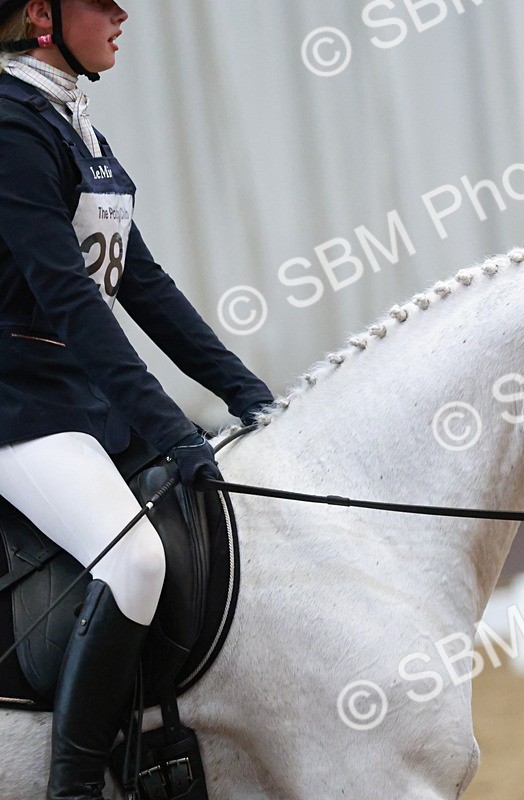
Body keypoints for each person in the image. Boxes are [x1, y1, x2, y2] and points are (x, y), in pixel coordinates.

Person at [0, 1, 274, 796]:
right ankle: (76, 784)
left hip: (75, 400)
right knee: (135, 558)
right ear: (41, 16)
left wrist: (248, 394)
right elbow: (70, 303)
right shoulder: (14, 132)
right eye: (101, 3)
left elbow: (143, 286)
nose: (122, 16)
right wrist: (169, 427)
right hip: (20, 406)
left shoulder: (77, 131)